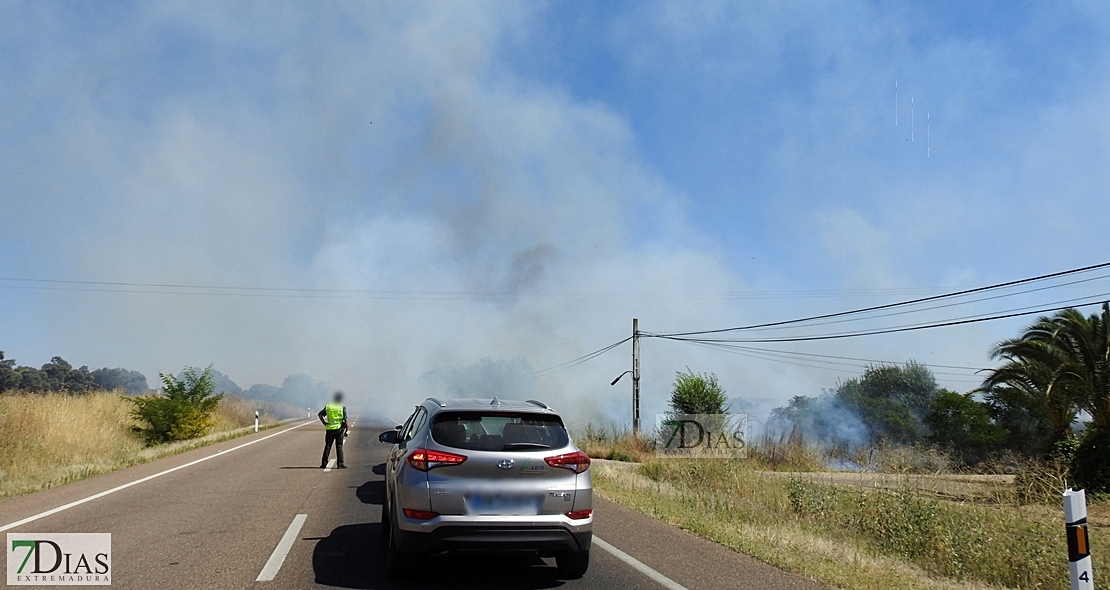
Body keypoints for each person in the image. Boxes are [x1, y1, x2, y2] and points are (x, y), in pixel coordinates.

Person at [318, 391, 348, 469]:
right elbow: (346, 421)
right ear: (341, 399)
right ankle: (340, 464)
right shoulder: (342, 408)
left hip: (329, 429)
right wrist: (347, 430)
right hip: (339, 429)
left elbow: (320, 414)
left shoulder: (328, 407)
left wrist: (324, 422)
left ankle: (324, 463)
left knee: (328, 446)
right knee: (339, 446)